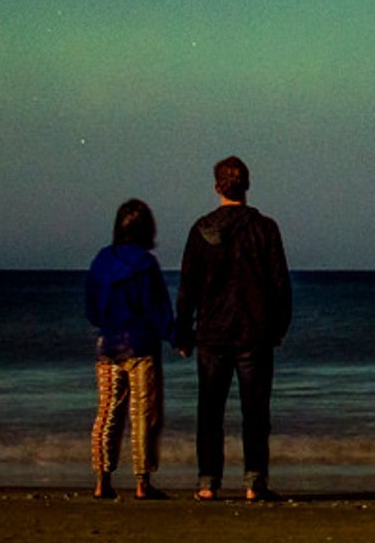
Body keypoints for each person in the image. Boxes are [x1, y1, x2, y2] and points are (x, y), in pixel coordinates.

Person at [175, 155, 293, 501]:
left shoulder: (201, 230)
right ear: (248, 185)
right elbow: (280, 284)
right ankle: (254, 482)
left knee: (210, 410)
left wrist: (183, 331)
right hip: (254, 332)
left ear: (217, 187)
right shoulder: (265, 228)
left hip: (212, 332)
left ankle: (208, 481)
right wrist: (279, 327)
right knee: (255, 411)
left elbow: (188, 286)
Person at [85, 198, 174, 501]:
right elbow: (158, 309)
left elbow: (92, 308)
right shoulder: (147, 265)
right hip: (140, 345)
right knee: (143, 414)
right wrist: (175, 337)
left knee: (107, 413)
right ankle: (142, 482)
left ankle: (102, 481)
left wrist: (105, 321)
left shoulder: (101, 260)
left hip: (108, 343)